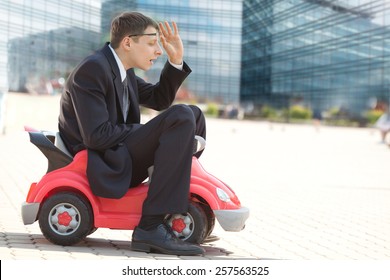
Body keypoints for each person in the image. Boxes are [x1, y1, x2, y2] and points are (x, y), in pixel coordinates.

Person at [58, 12, 206, 256]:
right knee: (180, 117)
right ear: (128, 42)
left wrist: (176, 60)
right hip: (103, 161)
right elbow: (96, 136)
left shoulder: (121, 70)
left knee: (192, 113)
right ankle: (151, 225)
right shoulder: (93, 69)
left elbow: (160, 99)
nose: (158, 51)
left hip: (117, 151)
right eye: (151, 43)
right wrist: (150, 133)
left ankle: (177, 189)